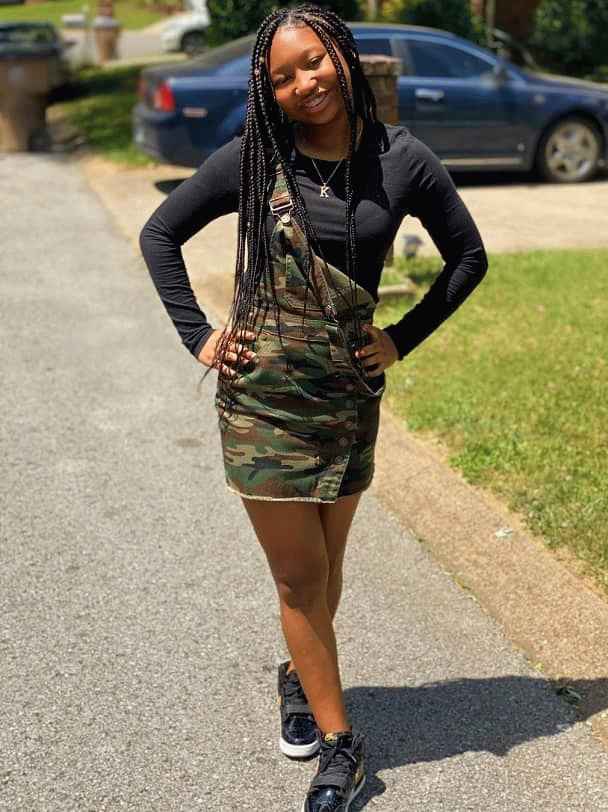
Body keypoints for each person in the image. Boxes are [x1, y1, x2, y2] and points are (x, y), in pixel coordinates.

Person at [139, 4, 488, 809]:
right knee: (299, 578)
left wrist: (401, 339)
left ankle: (300, 676)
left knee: (326, 570)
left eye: (314, 61)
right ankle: (342, 746)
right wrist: (200, 336)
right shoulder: (255, 158)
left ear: (344, 54)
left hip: (347, 398)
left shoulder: (403, 160)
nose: (304, 83)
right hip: (263, 404)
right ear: (268, 92)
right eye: (283, 77)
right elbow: (160, 235)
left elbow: (468, 257)